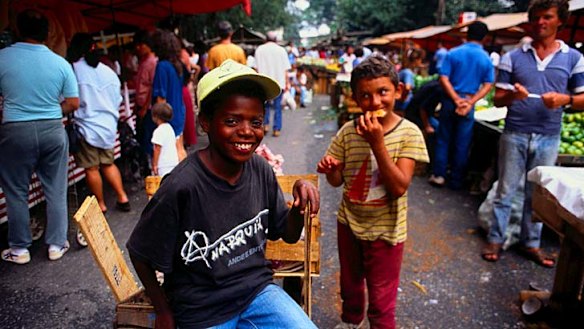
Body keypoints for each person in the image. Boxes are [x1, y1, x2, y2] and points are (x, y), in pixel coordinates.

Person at [127, 59, 320, 329]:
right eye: (231, 120)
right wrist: (163, 310)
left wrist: (299, 207)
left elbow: (286, 233)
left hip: (256, 292)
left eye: (256, 122)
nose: (246, 131)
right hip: (201, 307)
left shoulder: (261, 170)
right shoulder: (182, 186)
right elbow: (139, 251)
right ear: (206, 121)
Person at [317, 55, 429, 329]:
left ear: (398, 91)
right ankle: (351, 320)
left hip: (387, 231)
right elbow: (336, 181)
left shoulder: (409, 133)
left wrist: (377, 143)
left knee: (381, 297)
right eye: (365, 95)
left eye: (383, 92)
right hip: (350, 224)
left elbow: (399, 187)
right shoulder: (347, 132)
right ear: (354, 97)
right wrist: (331, 169)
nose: (375, 102)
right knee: (351, 285)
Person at [481, 0, 584, 267]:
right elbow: (498, 99)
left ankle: (531, 244)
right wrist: (514, 95)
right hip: (515, 132)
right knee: (505, 190)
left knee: (536, 194)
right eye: (536, 17)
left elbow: (582, 98)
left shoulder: (574, 58)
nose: (541, 22)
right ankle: (495, 239)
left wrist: (565, 100)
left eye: (547, 17)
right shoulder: (512, 57)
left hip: (549, 135)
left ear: (560, 20)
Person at [0, 10, 79, 264]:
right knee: (56, 189)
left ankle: (20, 249)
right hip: (52, 129)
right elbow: (74, 103)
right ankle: (56, 245)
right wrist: (53, 110)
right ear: (48, 33)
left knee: (15, 190)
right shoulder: (60, 63)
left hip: (15, 130)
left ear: (18, 30)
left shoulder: (2, 58)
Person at [68, 33, 131, 214]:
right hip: (108, 127)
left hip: (86, 126)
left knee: (92, 167)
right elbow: (117, 99)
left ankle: (101, 204)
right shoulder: (108, 71)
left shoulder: (73, 69)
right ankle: (122, 197)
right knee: (108, 163)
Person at [429, 21, 494, 189]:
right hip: (468, 103)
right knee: (462, 143)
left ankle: (439, 175)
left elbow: (443, 77)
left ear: (467, 34)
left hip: (450, 102)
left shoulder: (453, 53)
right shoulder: (486, 58)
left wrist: (456, 99)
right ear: (485, 38)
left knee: (443, 138)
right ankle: (456, 180)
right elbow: (488, 84)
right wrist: (469, 102)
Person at [150, 29, 187, 161]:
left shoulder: (162, 66)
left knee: (170, 152)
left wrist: (158, 121)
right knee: (179, 147)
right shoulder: (177, 65)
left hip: (167, 115)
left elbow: (161, 97)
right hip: (178, 111)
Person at [254, 31, 291, 137]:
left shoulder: (259, 50)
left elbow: (255, 69)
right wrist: (287, 83)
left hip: (263, 83)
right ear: (275, 40)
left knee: (264, 106)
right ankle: (277, 129)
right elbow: (285, 70)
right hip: (279, 83)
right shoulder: (281, 50)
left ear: (265, 39)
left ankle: (265, 126)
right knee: (277, 107)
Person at [133, 29, 158, 155]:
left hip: (147, 108)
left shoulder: (152, 62)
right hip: (141, 106)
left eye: (140, 45)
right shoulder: (143, 61)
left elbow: (153, 87)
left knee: (148, 139)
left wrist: (145, 107)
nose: (138, 48)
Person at [150, 102, 179, 177]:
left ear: (156, 117)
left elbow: (157, 149)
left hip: (163, 165)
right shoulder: (170, 128)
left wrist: (155, 164)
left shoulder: (158, 131)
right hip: (173, 162)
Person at [395, 48, 424, 114]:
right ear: (416, 60)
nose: (421, 62)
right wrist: (402, 99)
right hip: (403, 107)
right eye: (420, 60)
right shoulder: (408, 73)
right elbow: (407, 88)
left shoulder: (406, 71)